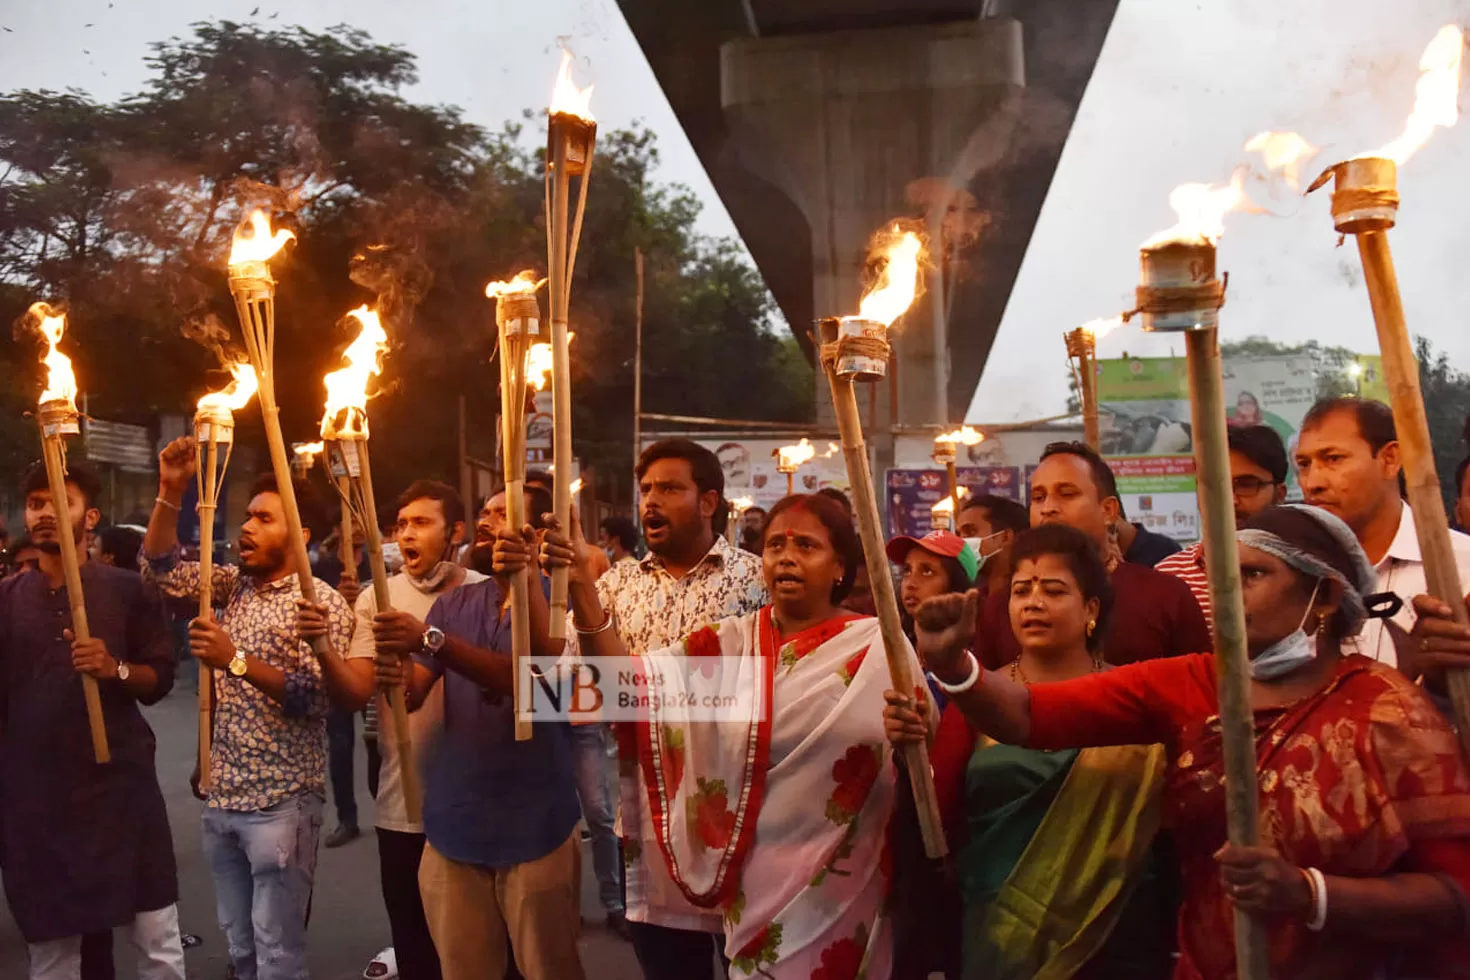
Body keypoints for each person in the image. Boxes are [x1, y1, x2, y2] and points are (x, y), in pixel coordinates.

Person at [888, 504, 1470, 980]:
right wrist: (952, 664)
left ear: (1323, 596)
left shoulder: (1387, 708)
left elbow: (1454, 894)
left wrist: (1309, 894)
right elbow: (1026, 716)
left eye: (1252, 576)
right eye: (1221, 576)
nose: (1226, 595)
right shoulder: (1191, 681)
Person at [543, 492, 922, 977]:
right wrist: (581, 589)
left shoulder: (879, 646)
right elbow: (626, 689)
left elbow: (922, 756)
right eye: (775, 545)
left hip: (846, 883)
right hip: (756, 882)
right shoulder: (731, 643)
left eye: (806, 546)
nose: (786, 557)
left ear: (839, 567)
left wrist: (915, 734)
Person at [543, 438, 766, 980]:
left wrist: (641, 690)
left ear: (709, 501)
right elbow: (558, 688)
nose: (650, 502)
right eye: (646, 490)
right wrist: (542, 587)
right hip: (645, 818)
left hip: (744, 816)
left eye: (669, 488)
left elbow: (763, 688)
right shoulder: (612, 587)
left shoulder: (757, 581)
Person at [924, 525, 1175, 979]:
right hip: (998, 934)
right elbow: (939, 820)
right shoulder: (978, 698)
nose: (1033, 602)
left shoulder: (1137, 700)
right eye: (1022, 591)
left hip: (1116, 932)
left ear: (1091, 609)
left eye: (1054, 590)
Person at [142, 440, 353, 980]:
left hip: (283, 804)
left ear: (301, 536)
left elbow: (318, 698)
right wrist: (171, 489)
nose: (248, 527)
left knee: (278, 955)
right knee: (240, 951)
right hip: (222, 799)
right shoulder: (229, 585)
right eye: (247, 516)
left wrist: (234, 660)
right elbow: (162, 566)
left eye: (265, 517)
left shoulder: (321, 603)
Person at [372, 484, 583, 980]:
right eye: (485, 512)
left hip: (537, 827)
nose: (488, 522)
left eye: (503, 515)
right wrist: (393, 666)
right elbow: (413, 693)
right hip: (455, 826)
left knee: (549, 968)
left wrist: (431, 640)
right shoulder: (455, 605)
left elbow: (532, 681)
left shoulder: (565, 605)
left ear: (536, 534)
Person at [1, 461, 184, 980]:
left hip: (120, 795)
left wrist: (115, 667)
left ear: (90, 516)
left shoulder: (127, 590)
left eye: (60, 501)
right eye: (36, 503)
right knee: (53, 953)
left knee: (157, 942)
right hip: (38, 807)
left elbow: (160, 679)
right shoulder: (7, 602)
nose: (43, 513)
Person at [301, 479, 479, 980]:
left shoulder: (486, 591)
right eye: (400, 525)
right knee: (415, 940)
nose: (406, 534)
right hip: (403, 804)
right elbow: (357, 691)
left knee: (477, 949)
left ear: (455, 532)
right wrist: (322, 648)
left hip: (476, 804)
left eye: (421, 522)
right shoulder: (378, 599)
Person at [974, 441, 1211, 670]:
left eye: (1066, 494)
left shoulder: (1165, 596)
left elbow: (1200, 692)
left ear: (1108, 511)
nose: (1048, 508)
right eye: (1038, 497)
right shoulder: (1002, 605)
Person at [1296, 396, 1470, 668]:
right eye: (1304, 464)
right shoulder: (1292, 577)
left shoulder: (1461, 567)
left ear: (1390, 459)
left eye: (1333, 459)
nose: (1312, 482)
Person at [1158, 423, 1289, 629]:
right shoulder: (1169, 577)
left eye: (1246, 485)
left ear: (1279, 494)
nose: (1230, 500)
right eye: (1215, 486)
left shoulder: (1305, 574)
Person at [312, 519, 371, 850]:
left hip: (371, 661)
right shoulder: (326, 567)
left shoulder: (380, 562)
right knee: (341, 742)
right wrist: (339, 598)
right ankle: (346, 817)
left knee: (378, 741)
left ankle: (389, 805)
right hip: (338, 663)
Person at [956, 494, 1028, 598]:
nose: (961, 542)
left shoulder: (1026, 598)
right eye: (959, 535)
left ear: (1005, 537)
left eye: (970, 531)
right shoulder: (969, 602)